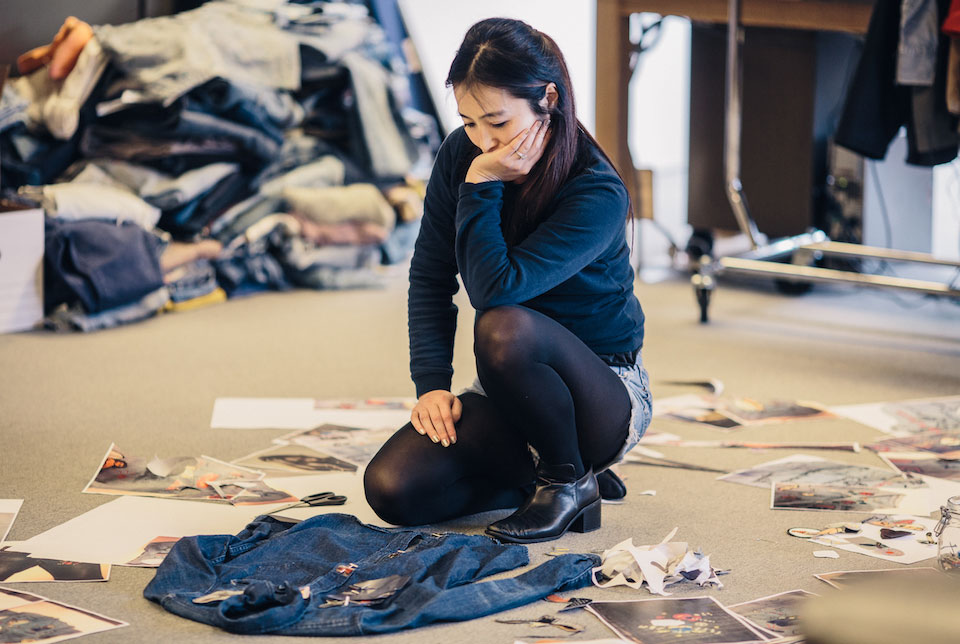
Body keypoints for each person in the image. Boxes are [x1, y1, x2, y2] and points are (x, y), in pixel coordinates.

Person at [363, 17, 651, 543]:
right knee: (393, 491)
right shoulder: (461, 153)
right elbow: (430, 273)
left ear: (548, 99)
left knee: (502, 325)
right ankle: (543, 479)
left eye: (496, 121)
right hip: (509, 391)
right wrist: (432, 386)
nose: (483, 141)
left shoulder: (596, 190)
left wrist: (482, 183)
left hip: (601, 395)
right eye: (469, 122)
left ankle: (568, 480)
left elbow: (495, 290)